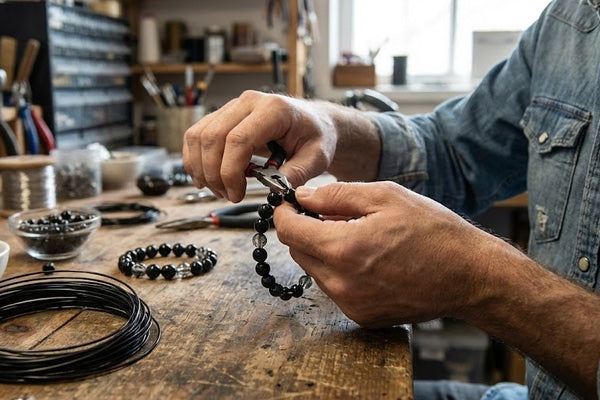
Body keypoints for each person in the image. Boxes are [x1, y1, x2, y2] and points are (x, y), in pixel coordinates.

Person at [182, 0, 600, 398]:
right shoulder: (569, 20)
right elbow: (452, 153)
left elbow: (475, 266)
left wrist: (481, 280)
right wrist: (330, 126)